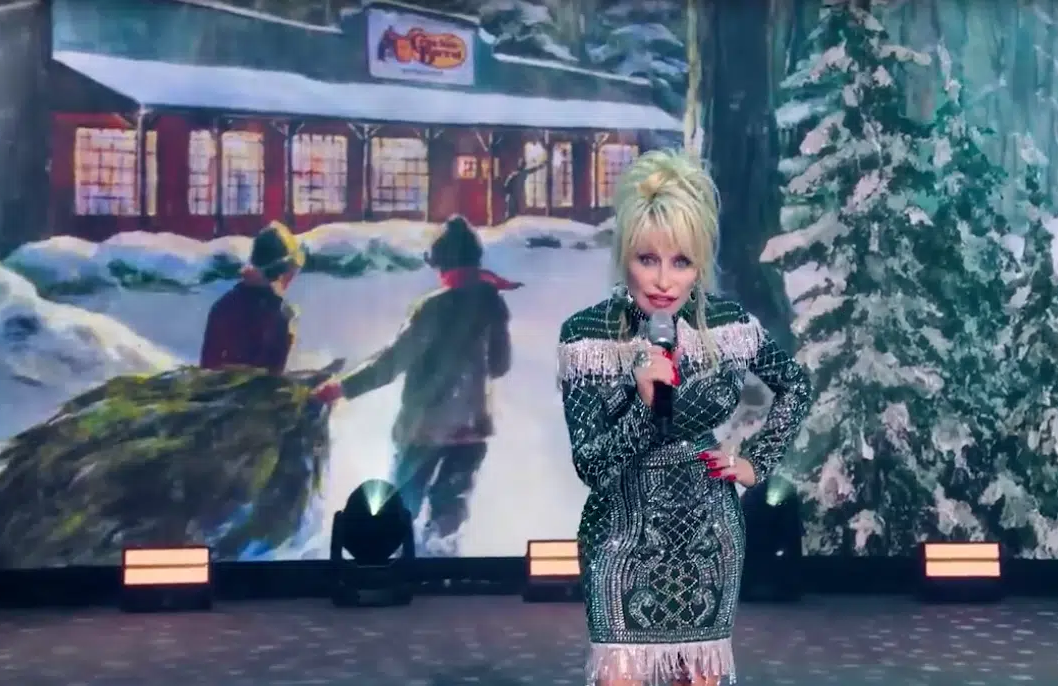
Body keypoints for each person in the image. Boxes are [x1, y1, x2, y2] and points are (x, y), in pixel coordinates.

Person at [556, 149, 812, 685]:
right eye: (647, 258)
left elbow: (796, 384)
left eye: (681, 262)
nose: (663, 281)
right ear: (624, 254)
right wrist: (643, 406)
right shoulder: (586, 335)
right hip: (618, 536)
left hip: (707, 536)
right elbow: (591, 466)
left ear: (699, 264)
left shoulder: (729, 325)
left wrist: (756, 461)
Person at [312, 215, 519, 551]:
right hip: (472, 428)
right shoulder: (492, 303)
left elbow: (392, 363)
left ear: (443, 264)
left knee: (401, 507)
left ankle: (398, 565)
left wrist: (341, 387)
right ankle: (441, 566)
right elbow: (500, 366)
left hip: (424, 428)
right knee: (448, 514)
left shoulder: (432, 307)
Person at [200, 221, 305, 374]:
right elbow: (277, 376)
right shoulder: (284, 314)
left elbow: (207, 370)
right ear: (279, 272)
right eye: (291, 273)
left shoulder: (222, 306)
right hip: (262, 388)